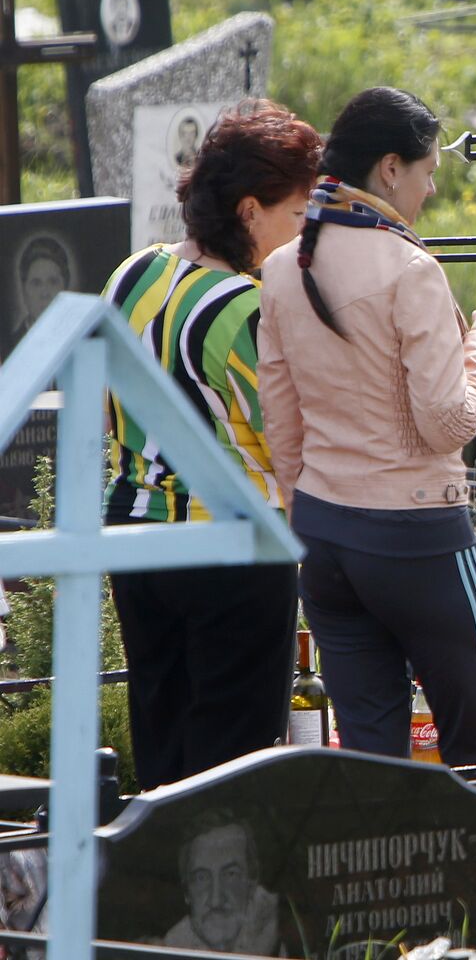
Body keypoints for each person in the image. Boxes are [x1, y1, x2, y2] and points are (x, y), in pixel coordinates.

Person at [258, 86, 476, 767]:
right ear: (391, 169)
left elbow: (282, 424)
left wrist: (311, 506)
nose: (431, 189)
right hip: (416, 530)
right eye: (429, 172)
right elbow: (448, 423)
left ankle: (369, 874)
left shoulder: (285, 266)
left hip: (323, 530)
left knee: (367, 750)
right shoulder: (410, 269)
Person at [102, 99, 322, 791]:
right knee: (229, 758)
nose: (303, 233)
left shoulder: (132, 273)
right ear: (250, 211)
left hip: (135, 533)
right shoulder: (243, 307)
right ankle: (215, 897)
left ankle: (155, 889)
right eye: (296, 215)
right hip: (229, 545)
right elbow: (285, 442)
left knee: (160, 737)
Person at [153, 811, 279, 955]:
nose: (216, 900)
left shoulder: (287, 937)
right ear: (187, 892)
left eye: (231, 874)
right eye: (201, 878)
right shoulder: (166, 952)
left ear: (252, 883)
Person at [5, 236, 72, 356]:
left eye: (53, 282)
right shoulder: (7, 349)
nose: (45, 293)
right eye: (36, 283)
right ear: (23, 289)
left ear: (65, 285)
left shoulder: (83, 340)